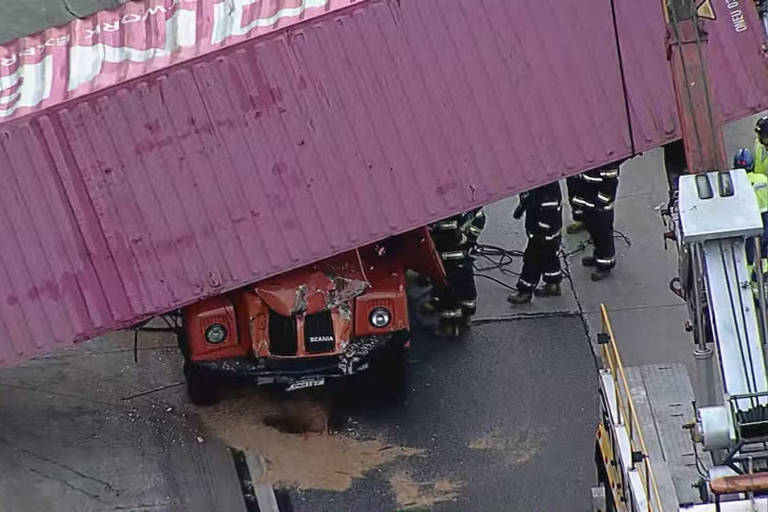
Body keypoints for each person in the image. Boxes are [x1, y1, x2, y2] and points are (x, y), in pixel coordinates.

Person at [423, 208, 486, 337]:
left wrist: (465, 237)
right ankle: (458, 315)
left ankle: (452, 322)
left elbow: (478, 219)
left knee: (450, 286)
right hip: (454, 254)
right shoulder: (467, 200)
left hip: (453, 254)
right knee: (457, 283)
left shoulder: (448, 206)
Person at [507, 181, 563, 304]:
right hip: (546, 231)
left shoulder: (547, 189)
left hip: (543, 233)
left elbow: (549, 213)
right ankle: (553, 283)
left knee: (532, 260)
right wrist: (522, 207)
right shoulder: (540, 182)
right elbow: (531, 199)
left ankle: (525, 290)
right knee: (550, 256)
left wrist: (541, 231)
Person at [568, 160, 625, 281]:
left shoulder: (607, 163)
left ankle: (605, 264)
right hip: (589, 206)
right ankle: (598, 257)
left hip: (601, 209)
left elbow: (609, 188)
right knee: (594, 232)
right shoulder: (588, 158)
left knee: (603, 236)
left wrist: (598, 204)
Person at [734, 147, 768, 266]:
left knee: (748, 253)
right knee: (765, 248)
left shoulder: (735, 183)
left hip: (746, 220)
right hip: (765, 216)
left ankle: (751, 277)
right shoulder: (763, 179)